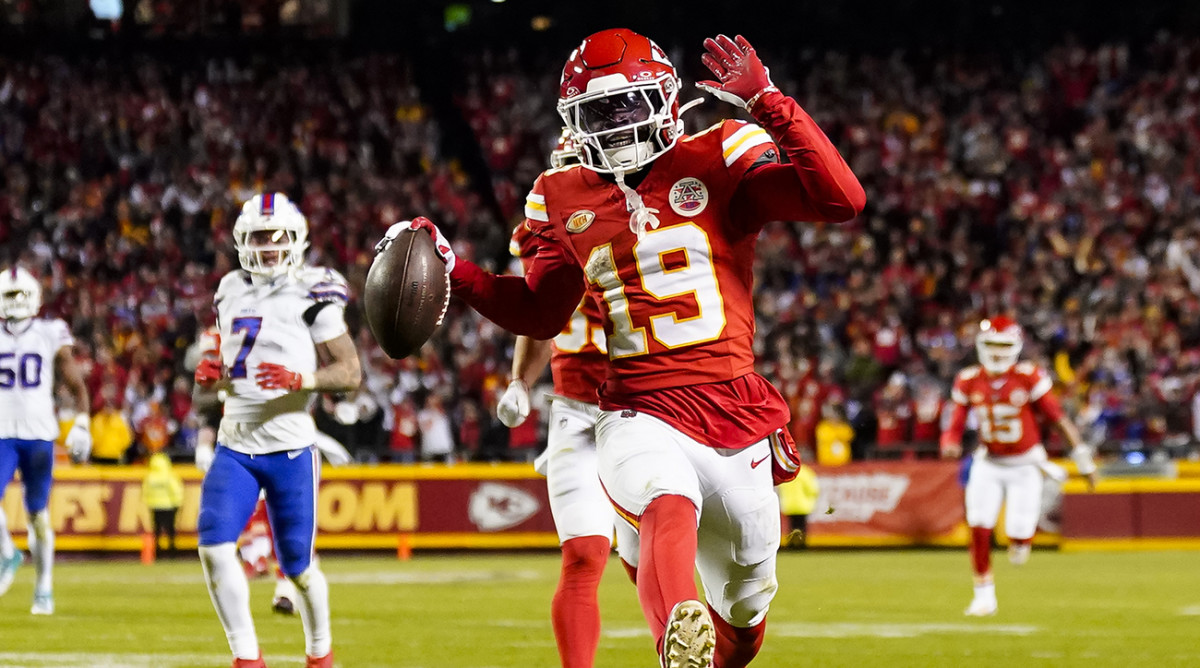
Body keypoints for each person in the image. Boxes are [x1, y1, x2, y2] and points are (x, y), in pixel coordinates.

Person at [380, 29, 864, 668]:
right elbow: (542, 310)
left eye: (629, 104)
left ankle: (712, 647)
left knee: (746, 612)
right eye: (598, 112)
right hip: (637, 407)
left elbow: (842, 200)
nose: (617, 125)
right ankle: (674, 636)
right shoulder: (559, 193)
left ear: (665, 98)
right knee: (665, 498)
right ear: (573, 122)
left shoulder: (720, 150)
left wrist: (770, 101)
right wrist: (456, 269)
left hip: (736, 410)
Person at [193, 192, 361, 668]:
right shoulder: (228, 288)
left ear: (297, 239)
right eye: (257, 237)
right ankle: (248, 658)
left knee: (300, 570)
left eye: (276, 236)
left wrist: (302, 380)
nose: (267, 246)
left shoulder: (315, 289)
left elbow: (349, 373)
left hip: (290, 448)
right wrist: (212, 377)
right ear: (242, 242)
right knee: (214, 546)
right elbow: (224, 372)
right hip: (235, 444)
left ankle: (320, 653)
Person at [493, 129, 639, 668]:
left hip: (645, 413)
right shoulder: (545, 233)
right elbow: (538, 316)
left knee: (649, 564)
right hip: (576, 414)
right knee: (582, 556)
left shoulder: (647, 225)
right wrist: (519, 380)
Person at [940, 316, 1098, 617]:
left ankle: (1021, 542)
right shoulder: (969, 379)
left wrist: (1083, 460)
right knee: (979, 524)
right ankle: (984, 595)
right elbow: (955, 421)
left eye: (1003, 346)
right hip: (989, 461)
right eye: (992, 345)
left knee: (1019, 533)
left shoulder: (1028, 377)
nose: (997, 353)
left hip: (1025, 463)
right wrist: (949, 441)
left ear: (1015, 347)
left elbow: (1058, 419)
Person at [0, 266, 92, 615]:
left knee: (37, 515)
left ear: (36, 297)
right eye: (10, 295)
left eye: (22, 294)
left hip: (39, 432)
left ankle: (43, 587)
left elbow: (75, 384)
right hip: (2, 431)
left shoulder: (49, 331)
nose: (18, 301)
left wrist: (82, 423)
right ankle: (7, 552)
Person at [143, 452, 185, 557]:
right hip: (169, 506)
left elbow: (145, 492)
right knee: (170, 530)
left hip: (155, 506)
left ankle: (157, 552)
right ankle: (172, 551)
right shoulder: (169, 476)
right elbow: (176, 490)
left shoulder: (150, 477)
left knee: (157, 530)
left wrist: (149, 503)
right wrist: (178, 503)